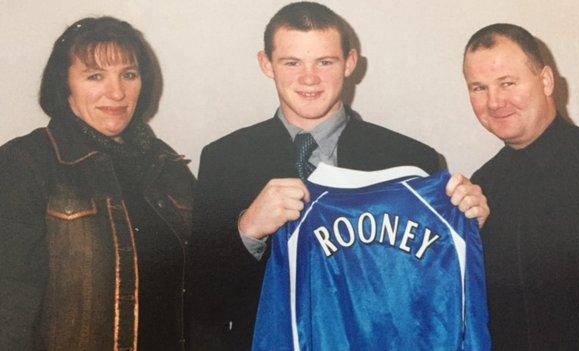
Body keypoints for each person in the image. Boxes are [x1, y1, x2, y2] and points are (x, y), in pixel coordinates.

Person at [188, 2, 489, 349]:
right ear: (266, 64)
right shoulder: (224, 158)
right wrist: (247, 231)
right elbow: (199, 296)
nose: (309, 78)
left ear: (349, 63)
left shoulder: (411, 158)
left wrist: (465, 228)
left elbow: (435, 290)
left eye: (325, 62)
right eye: (292, 62)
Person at [0, 17, 195, 350]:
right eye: (95, 76)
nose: (117, 92)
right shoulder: (25, 162)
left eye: (128, 75)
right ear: (65, 85)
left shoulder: (167, 165)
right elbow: (10, 307)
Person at [463, 23, 579, 349]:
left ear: (546, 81)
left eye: (507, 83)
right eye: (478, 88)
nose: (494, 102)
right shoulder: (480, 188)